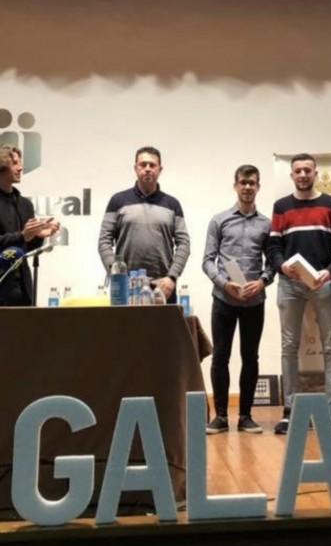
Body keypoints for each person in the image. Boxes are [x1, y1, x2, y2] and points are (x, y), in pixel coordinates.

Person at [267, 153, 331, 435]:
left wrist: (330, 271)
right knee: (289, 346)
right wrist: (281, 266)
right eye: (298, 171)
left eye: (307, 170)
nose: (303, 175)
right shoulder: (281, 207)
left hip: (323, 282)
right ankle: (290, 411)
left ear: (315, 173)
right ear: (291, 175)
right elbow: (273, 247)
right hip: (289, 284)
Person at [201, 165, 275, 435]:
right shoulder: (219, 221)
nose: (247, 187)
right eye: (243, 182)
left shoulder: (267, 224)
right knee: (220, 356)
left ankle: (246, 416)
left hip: (254, 301)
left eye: (252, 183)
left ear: (258, 187)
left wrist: (263, 281)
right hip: (224, 299)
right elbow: (207, 261)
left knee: (250, 357)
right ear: (235, 185)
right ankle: (220, 416)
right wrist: (224, 283)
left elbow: (273, 262)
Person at [0, 145, 59, 306]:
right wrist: (22, 235)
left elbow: (25, 250)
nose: (20, 168)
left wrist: (38, 236)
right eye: (14, 163)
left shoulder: (25, 204)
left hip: (22, 292)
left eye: (20, 162)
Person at [98, 146, 190, 303]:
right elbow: (104, 241)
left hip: (163, 288)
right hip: (126, 287)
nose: (147, 169)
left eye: (152, 165)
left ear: (160, 170)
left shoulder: (172, 204)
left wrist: (172, 277)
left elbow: (184, 244)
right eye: (143, 164)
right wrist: (116, 273)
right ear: (135, 168)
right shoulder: (117, 201)